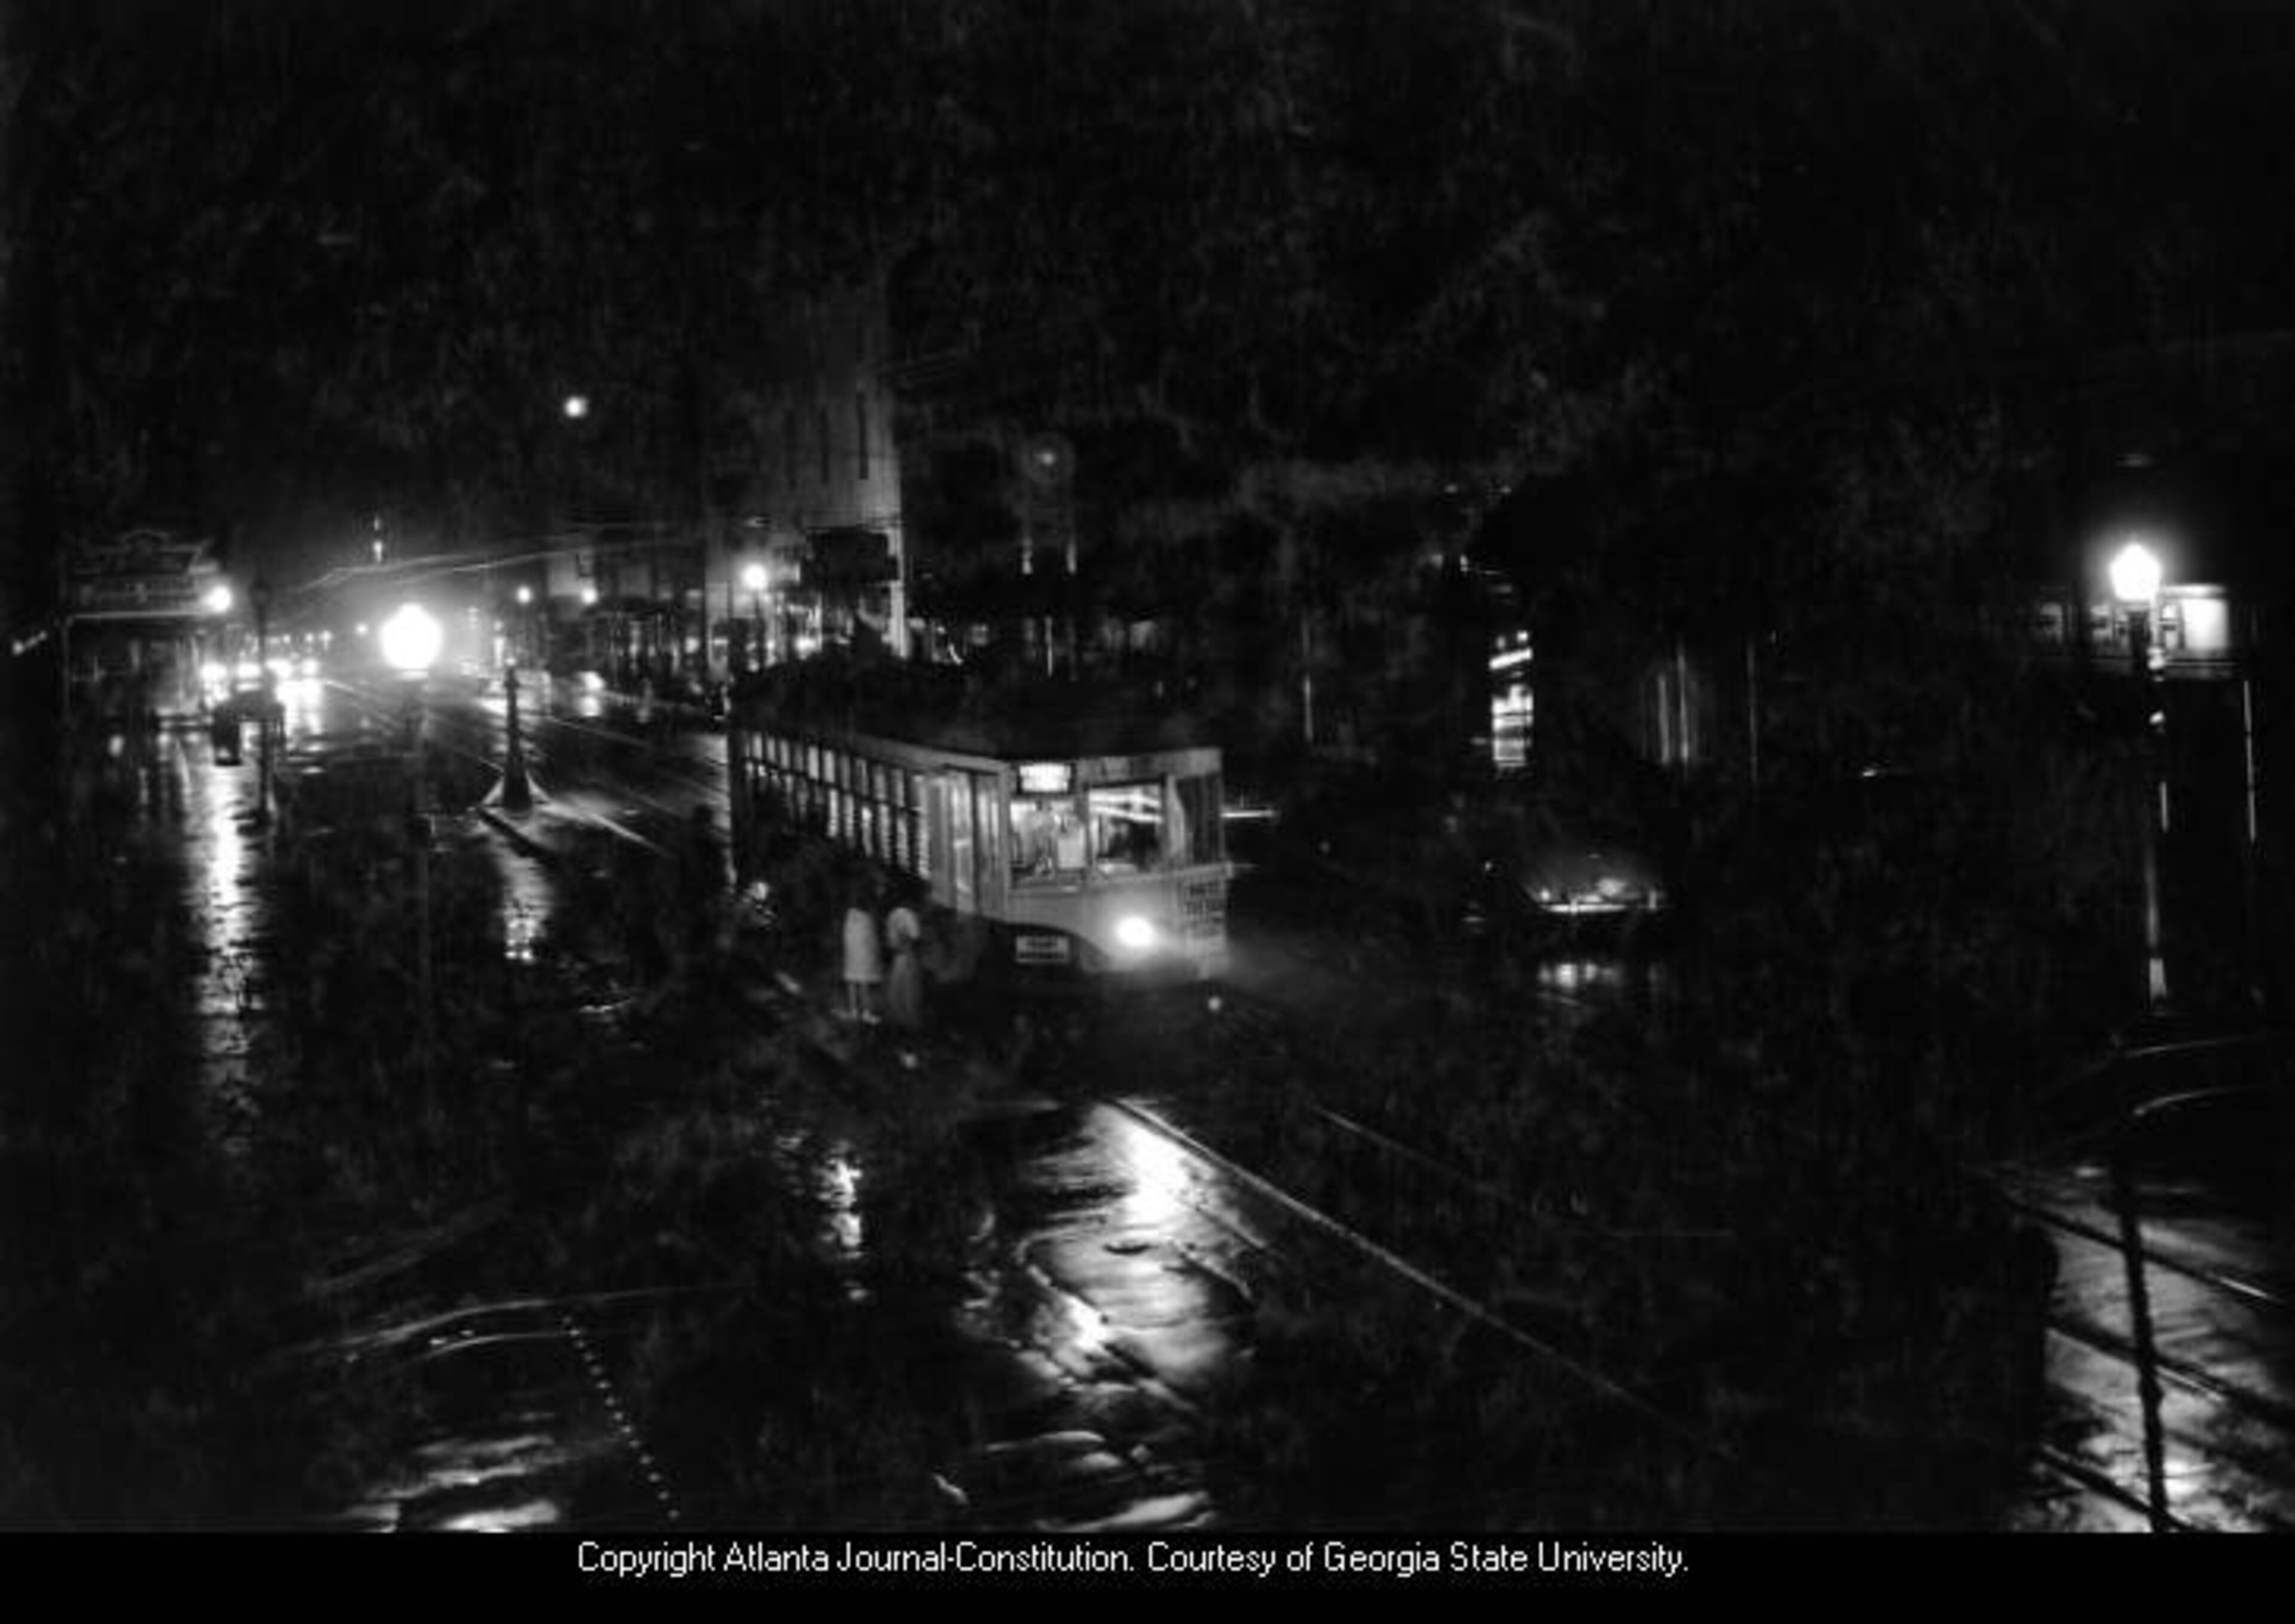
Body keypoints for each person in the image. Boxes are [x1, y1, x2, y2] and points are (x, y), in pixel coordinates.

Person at [883, 884, 925, 1031]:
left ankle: (911, 1031)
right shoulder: (904, 914)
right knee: (902, 998)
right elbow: (916, 938)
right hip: (904, 958)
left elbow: (914, 939)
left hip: (904, 958)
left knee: (904, 999)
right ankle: (908, 1031)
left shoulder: (897, 915)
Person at [842, 886, 883, 1022]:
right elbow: (872, 940)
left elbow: (847, 936)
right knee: (864, 985)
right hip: (864, 957)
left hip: (852, 956)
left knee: (853, 983)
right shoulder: (867, 918)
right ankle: (866, 1012)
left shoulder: (850, 916)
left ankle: (854, 1011)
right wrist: (876, 954)